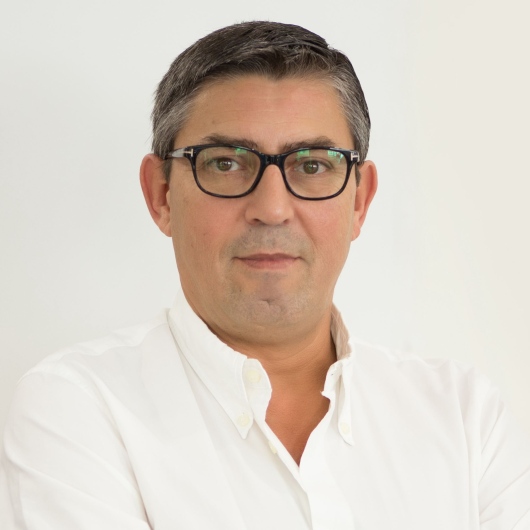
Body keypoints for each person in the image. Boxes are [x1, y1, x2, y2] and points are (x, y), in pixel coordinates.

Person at [1, 20, 529, 530]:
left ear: (359, 201)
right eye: (226, 163)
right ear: (161, 195)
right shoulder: (77, 409)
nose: (272, 209)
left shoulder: (464, 417)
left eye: (313, 164)